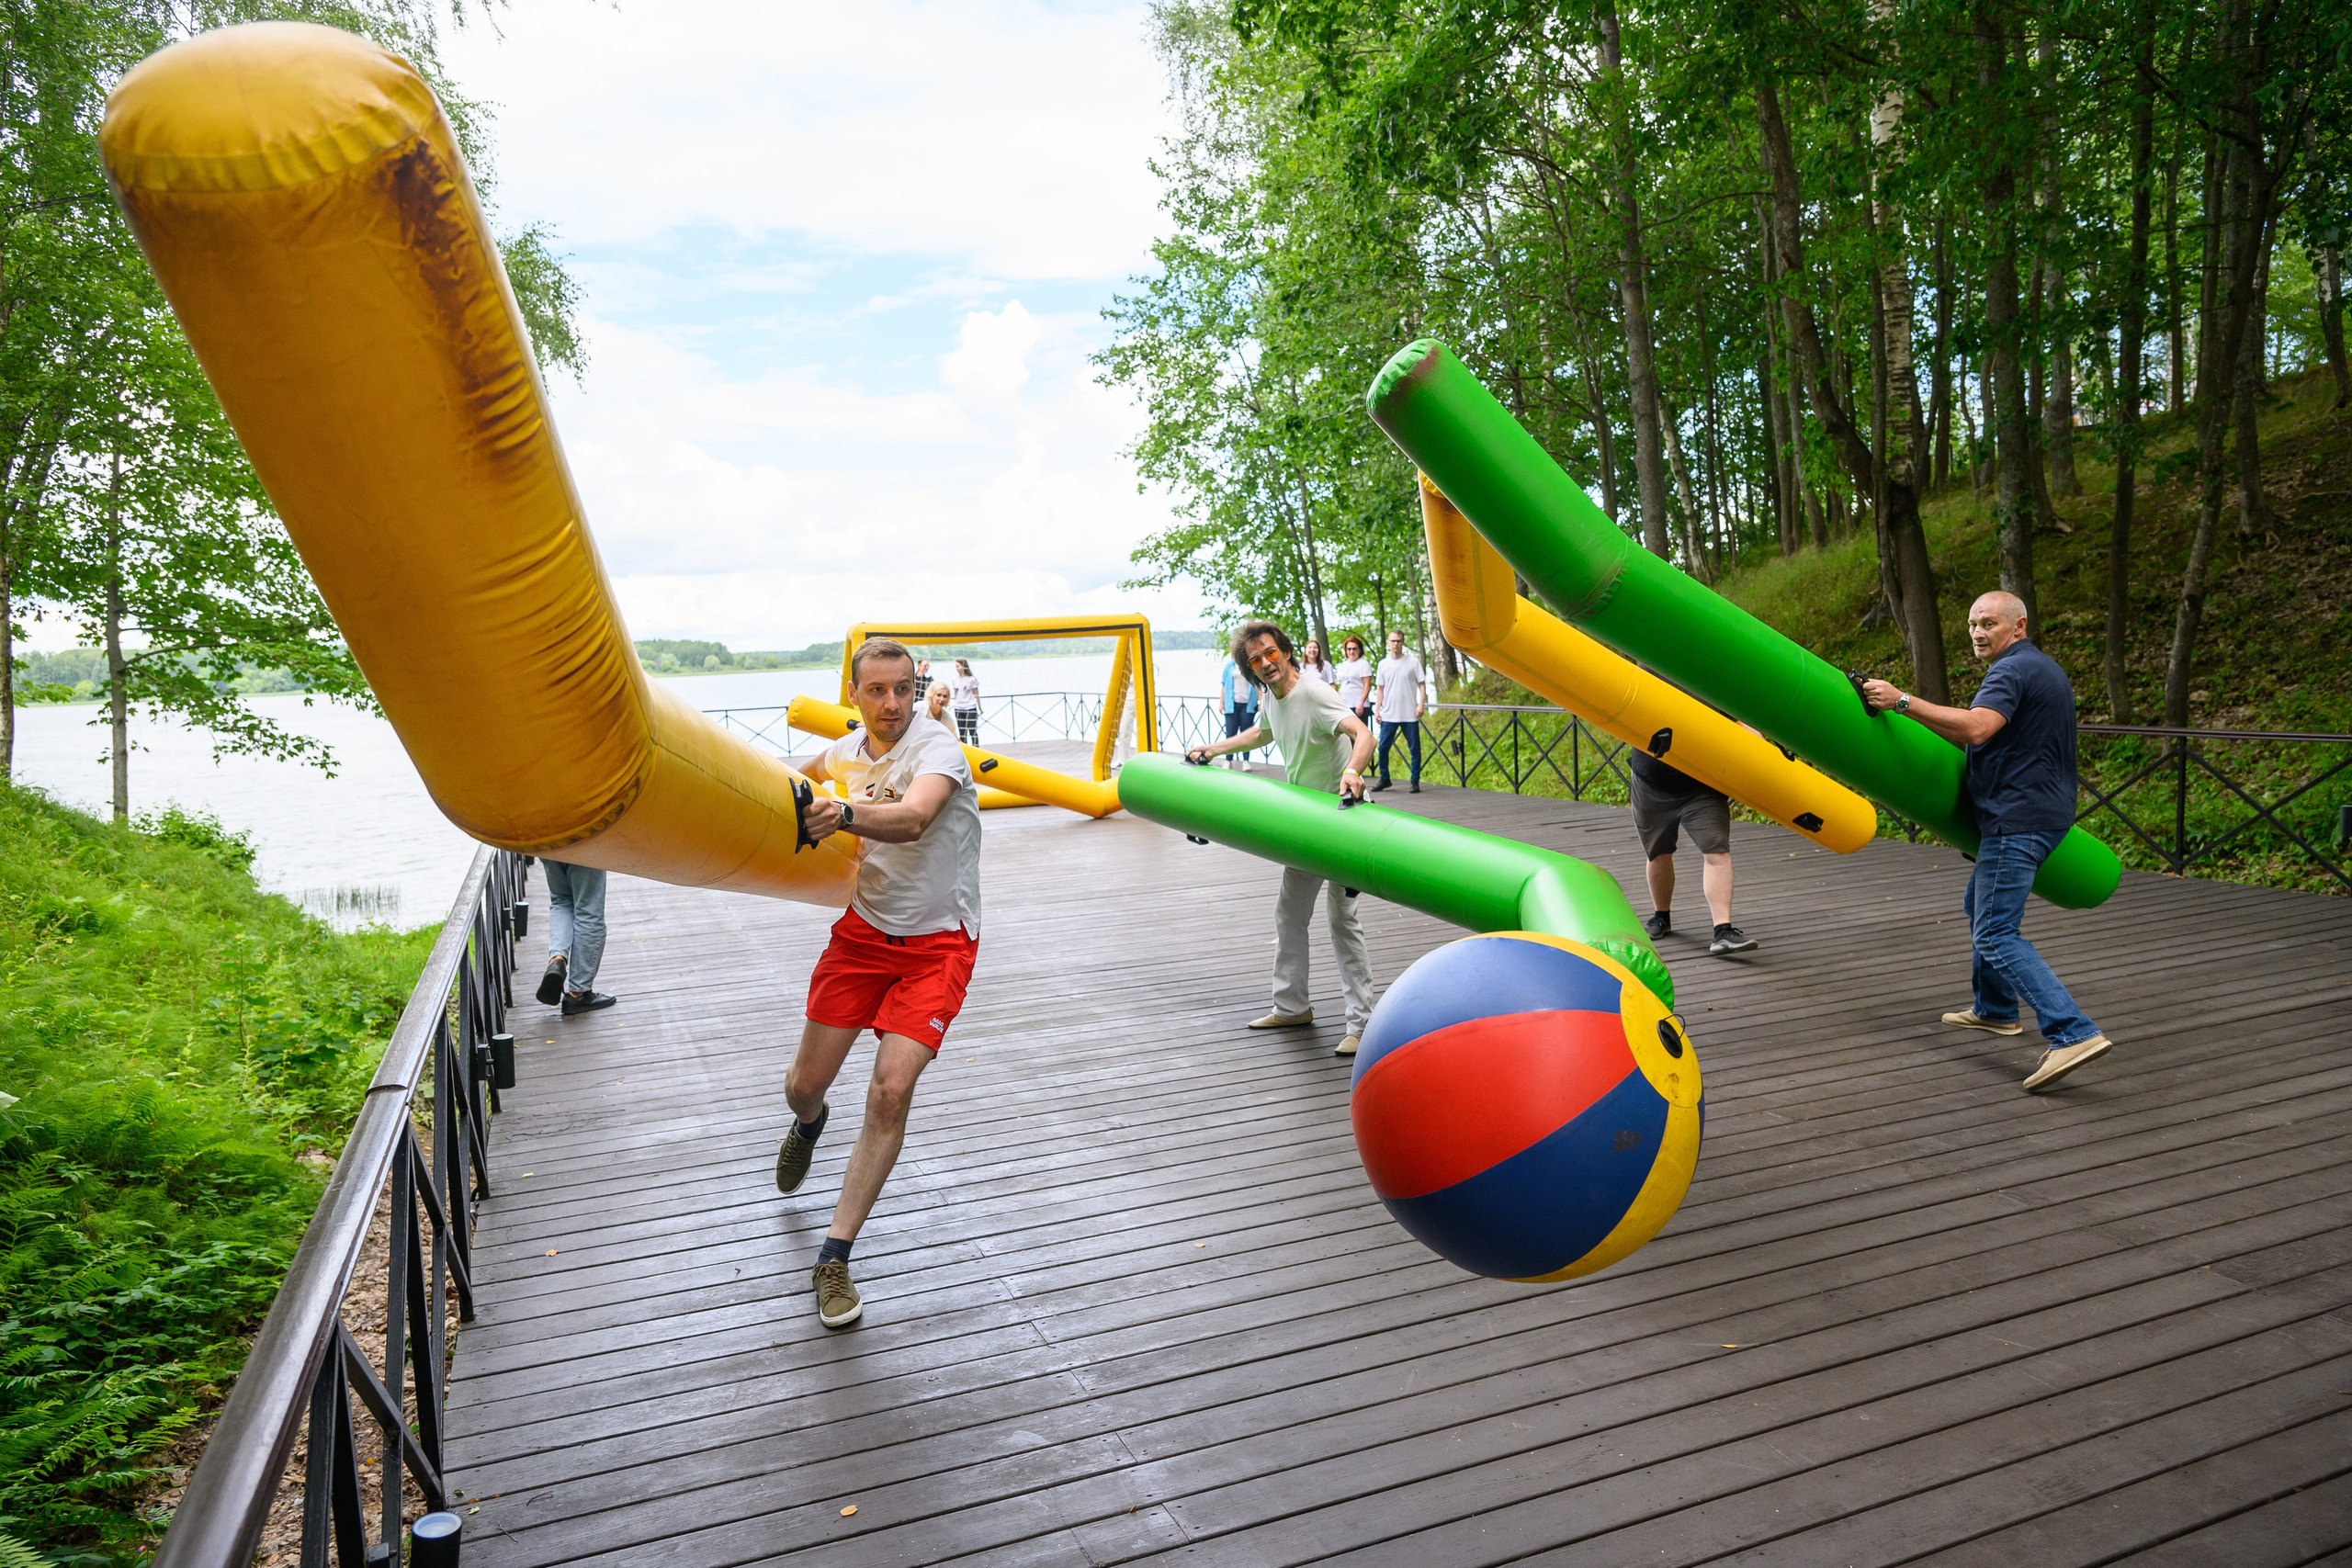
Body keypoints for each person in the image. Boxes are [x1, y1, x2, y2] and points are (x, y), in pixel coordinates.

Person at [774, 637, 984, 1326]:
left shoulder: (937, 751)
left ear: (916, 688)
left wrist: (845, 813)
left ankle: (834, 1256)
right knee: (803, 1085)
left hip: (938, 947)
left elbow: (917, 816)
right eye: (876, 691)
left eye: (902, 688)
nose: (891, 704)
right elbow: (786, 783)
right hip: (861, 937)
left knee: (891, 1090)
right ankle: (810, 1122)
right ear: (855, 694)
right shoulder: (843, 753)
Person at [1862, 591, 2112, 1092]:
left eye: (1989, 624)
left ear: (2018, 627)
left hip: (2017, 819)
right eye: (1973, 623)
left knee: (1996, 932)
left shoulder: (2011, 671)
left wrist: (1902, 701)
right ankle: (1996, 1010)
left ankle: (2072, 1032)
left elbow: (1978, 729)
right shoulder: (2038, 667)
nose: (1978, 632)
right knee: (1977, 903)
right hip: (2036, 812)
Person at [1187, 621, 1378, 1056]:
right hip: (1304, 825)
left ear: (1286, 652)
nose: (1265, 664)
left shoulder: (1314, 692)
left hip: (1344, 819)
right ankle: (1291, 1007)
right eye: (1255, 660)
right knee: (1289, 915)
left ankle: (1362, 1025)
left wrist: (1352, 772)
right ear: (1250, 670)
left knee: (1341, 920)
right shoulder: (1272, 697)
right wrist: (1213, 749)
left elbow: (1363, 735)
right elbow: (1262, 732)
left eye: (1270, 653)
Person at [1630, 749, 1756, 957]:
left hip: (1702, 787)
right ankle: (1661, 916)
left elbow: (1741, 723)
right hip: (1651, 786)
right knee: (1658, 853)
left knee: (1717, 851)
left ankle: (1722, 930)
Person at [535, 861, 616, 1015]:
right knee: (588, 910)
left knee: (561, 900)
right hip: (583, 842)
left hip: (547, 841)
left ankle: (557, 961)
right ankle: (578, 994)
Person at [1371, 629, 1427, 794]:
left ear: (1403, 642)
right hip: (1389, 713)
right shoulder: (1383, 664)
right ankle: (1384, 778)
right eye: (1393, 641)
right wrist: (1377, 709)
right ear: (1388, 643)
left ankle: (1415, 780)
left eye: (1399, 641)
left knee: (1414, 749)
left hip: (1410, 713)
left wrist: (1421, 704)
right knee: (1383, 748)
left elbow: (1422, 684)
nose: (1396, 644)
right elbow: (1380, 688)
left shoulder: (1412, 662)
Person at [1217, 647, 1261, 769]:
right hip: (1232, 704)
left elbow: (1258, 684)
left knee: (1246, 734)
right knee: (1230, 733)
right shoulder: (1229, 666)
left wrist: (1261, 701)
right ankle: (1228, 759)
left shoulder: (1250, 666)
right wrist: (1221, 702)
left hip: (1248, 704)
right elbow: (1224, 685)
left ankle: (1246, 760)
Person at [1334, 635, 1374, 730]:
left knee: (1359, 734)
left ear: (1359, 650)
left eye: (1354, 649)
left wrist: (1360, 703)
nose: (1352, 652)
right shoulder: (1344, 665)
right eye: (1349, 649)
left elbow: (1367, 685)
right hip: (1345, 706)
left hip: (1358, 706)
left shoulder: (1363, 664)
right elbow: (1342, 685)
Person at [947, 658, 981, 746]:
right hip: (959, 708)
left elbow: (976, 694)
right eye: (956, 666)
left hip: (970, 708)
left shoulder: (971, 679)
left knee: (973, 731)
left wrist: (980, 708)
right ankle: (964, 753)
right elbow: (955, 694)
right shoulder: (955, 679)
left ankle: (976, 750)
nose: (957, 668)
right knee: (962, 732)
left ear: (963, 666)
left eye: (958, 666)